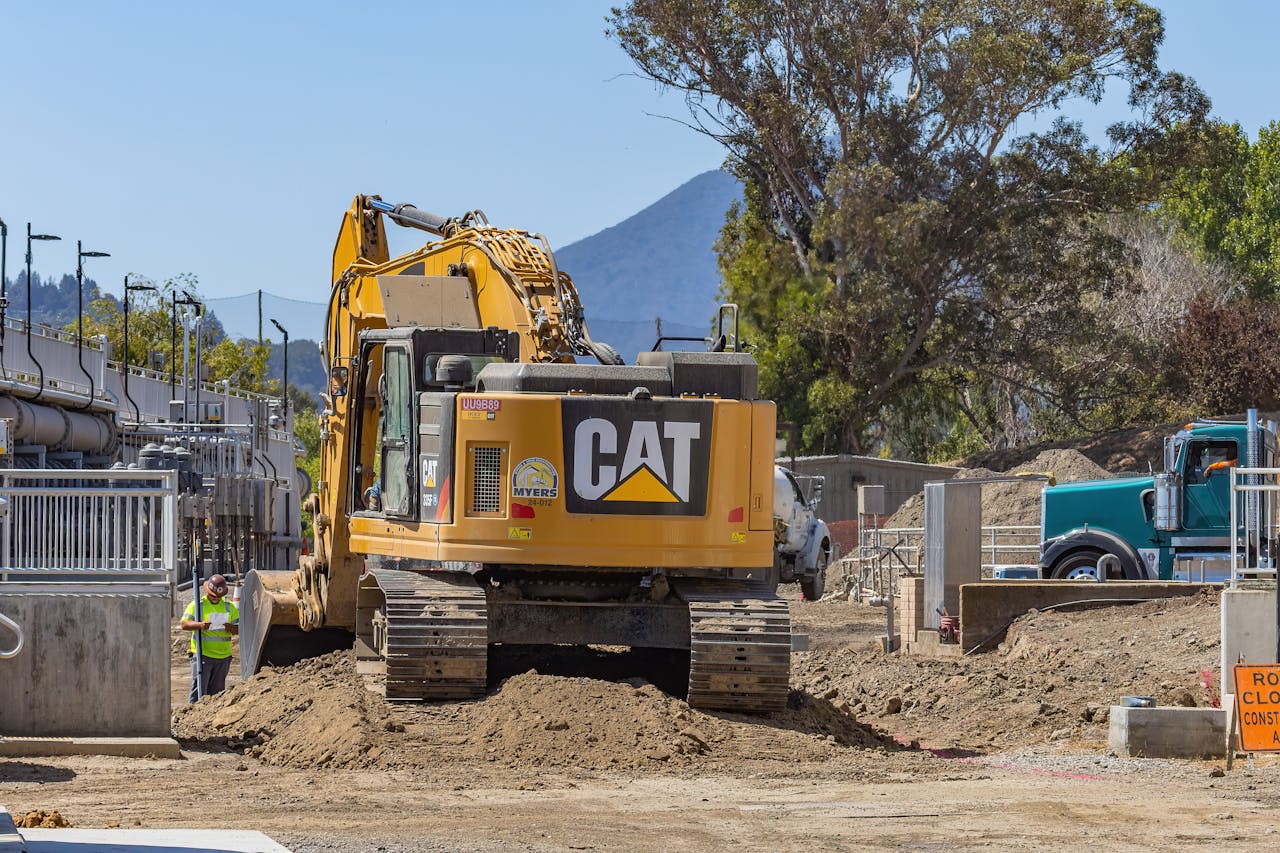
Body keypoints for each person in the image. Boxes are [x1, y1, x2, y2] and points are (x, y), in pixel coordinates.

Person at [181, 574, 239, 702]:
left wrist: (231, 628)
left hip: (223, 657)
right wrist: (200, 625)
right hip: (203, 656)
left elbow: (240, 629)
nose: (215, 599)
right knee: (199, 691)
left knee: (217, 695)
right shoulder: (197, 605)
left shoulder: (229, 607)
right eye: (213, 596)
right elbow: (184, 624)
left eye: (218, 597)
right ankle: (193, 716)